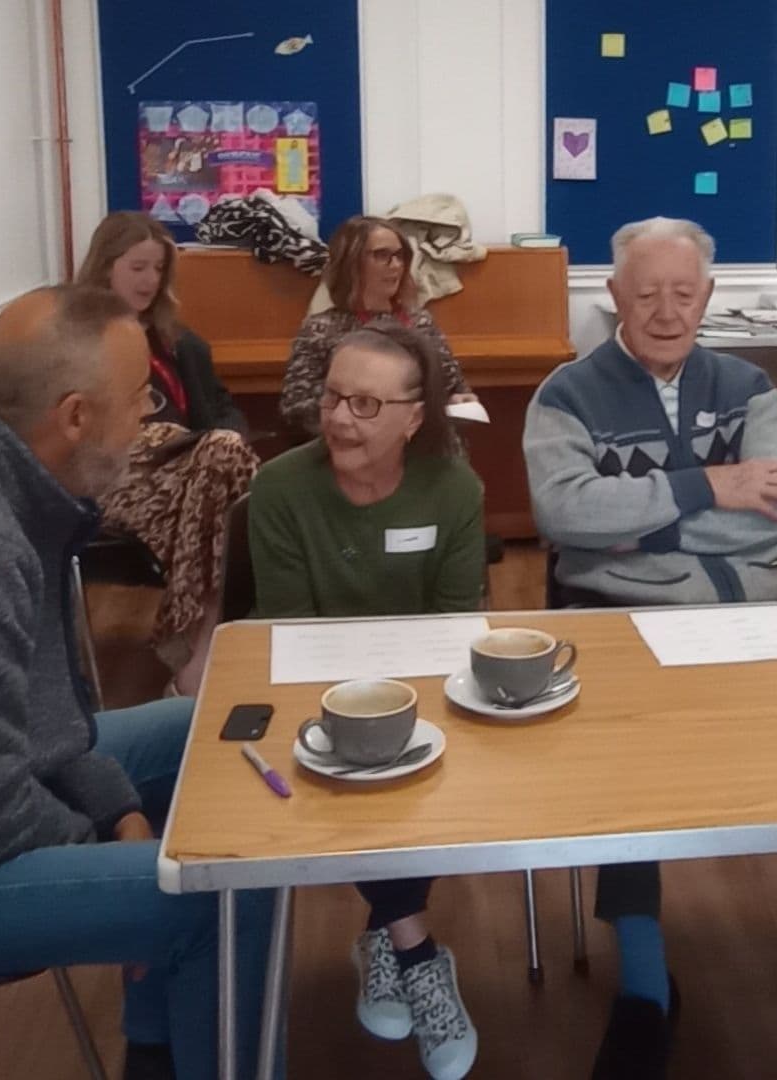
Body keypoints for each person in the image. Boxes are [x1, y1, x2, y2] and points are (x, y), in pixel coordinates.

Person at [0, 286, 275, 1080]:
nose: (151, 415)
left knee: (220, 724)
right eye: (140, 397)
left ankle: (162, 1044)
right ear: (74, 416)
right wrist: (113, 836)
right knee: (224, 888)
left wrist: (117, 809)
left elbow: (44, 723)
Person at [524, 217, 777, 1080]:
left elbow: (775, 510)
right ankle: (643, 987)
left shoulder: (746, 384)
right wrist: (710, 486)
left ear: (707, 296)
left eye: (683, 293)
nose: (666, 312)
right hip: (622, 618)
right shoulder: (566, 395)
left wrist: (636, 522)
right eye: (645, 294)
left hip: (762, 606)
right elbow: (565, 518)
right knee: (626, 771)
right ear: (614, 298)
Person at [250, 323, 483, 1080]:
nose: (342, 418)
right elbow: (291, 628)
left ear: (415, 418)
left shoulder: (454, 489)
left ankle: (386, 933)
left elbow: (454, 625)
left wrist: (406, 693)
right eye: (334, 397)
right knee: (357, 758)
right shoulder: (283, 485)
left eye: (367, 404)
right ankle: (416, 952)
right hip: (312, 684)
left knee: (429, 761)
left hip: (424, 683)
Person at [76, 211, 259, 695]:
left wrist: (219, 441)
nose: (149, 281)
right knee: (224, 473)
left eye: (158, 269)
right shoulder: (78, 340)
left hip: (186, 472)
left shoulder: (179, 343)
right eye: (138, 267)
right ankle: (200, 637)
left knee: (221, 456)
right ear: (106, 266)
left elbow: (222, 410)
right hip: (111, 476)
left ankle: (194, 643)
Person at [279, 214, 478, 434]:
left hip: (425, 445)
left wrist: (462, 401)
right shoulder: (321, 329)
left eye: (400, 256)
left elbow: (455, 388)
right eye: (382, 255)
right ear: (352, 262)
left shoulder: (420, 321)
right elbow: (297, 410)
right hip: (351, 446)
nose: (396, 265)